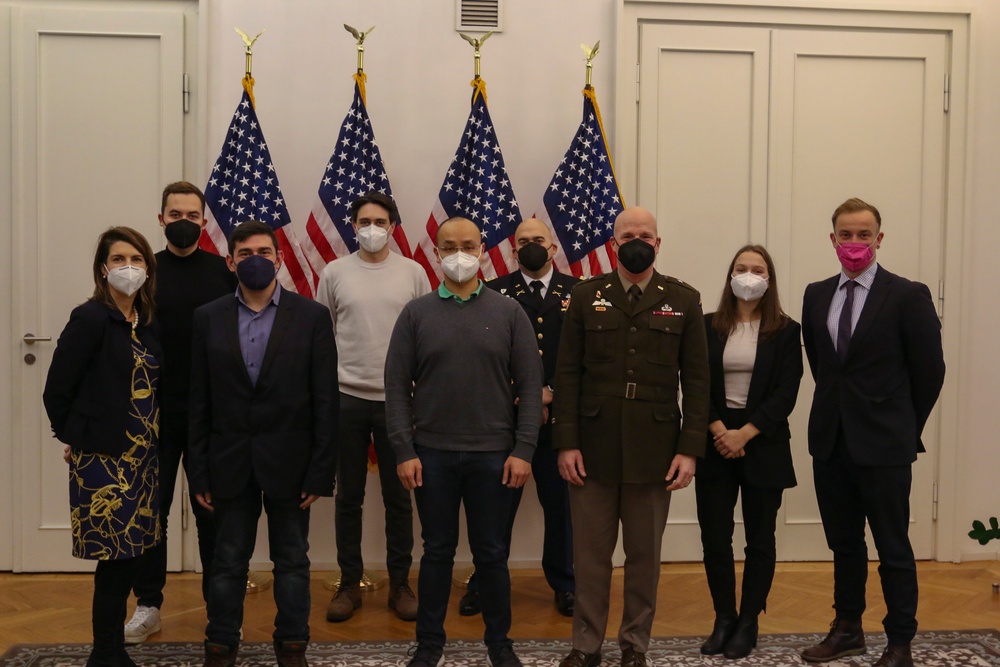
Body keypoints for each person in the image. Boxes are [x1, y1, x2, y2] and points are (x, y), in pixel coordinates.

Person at [553, 206, 710, 667]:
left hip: (655, 450)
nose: (636, 241)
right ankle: (586, 645)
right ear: (613, 243)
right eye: (628, 234)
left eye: (645, 234)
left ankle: (634, 646)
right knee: (591, 557)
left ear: (658, 244)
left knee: (645, 557)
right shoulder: (586, 296)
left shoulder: (683, 298)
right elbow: (566, 374)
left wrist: (689, 450)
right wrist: (566, 441)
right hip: (592, 447)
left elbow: (698, 382)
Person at [385, 217, 543, 667]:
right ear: (436, 254)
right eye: (449, 246)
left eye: (468, 245)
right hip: (431, 455)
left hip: (494, 456)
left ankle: (500, 643)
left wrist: (523, 449)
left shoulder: (509, 312)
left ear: (482, 250)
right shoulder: (415, 314)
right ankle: (429, 644)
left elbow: (531, 387)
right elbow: (395, 387)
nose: (459, 253)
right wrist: (404, 450)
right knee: (436, 552)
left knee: (492, 554)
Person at [800, 198, 945, 667]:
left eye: (865, 235)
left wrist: (903, 425)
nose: (855, 243)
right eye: (847, 234)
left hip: (885, 445)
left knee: (893, 547)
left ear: (879, 239)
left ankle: (900, 642)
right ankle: (847, 630)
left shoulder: (907, 294)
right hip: (831, 442)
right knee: (844, 545)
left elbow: (930, 372)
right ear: (833, 239)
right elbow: (823, 366)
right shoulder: (816, 294)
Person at [187, 220, 339, 667]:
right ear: (231, 261)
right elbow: (200, 400)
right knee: (228, 561)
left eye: (264, 252)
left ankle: (292, 645)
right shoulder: (207, 316)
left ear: (278, 258)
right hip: (227, 462)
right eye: (245, 252)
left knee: (292, 560)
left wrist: (320, 471)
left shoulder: (311, 316)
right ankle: (220, 644)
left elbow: (325, 401)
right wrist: (198, 470)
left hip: (292, 465)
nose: (256, 259)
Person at [124, 181, 236, 644]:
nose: (184, 222)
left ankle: (219, 607)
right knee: (151, 511)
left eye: (193, 215)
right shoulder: (142, 271)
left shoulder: (223, 272)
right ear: (161, 219)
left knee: (211, 511)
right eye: (176, 214)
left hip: (211, 413)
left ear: (204, 221)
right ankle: (149, 604)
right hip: (154, 413)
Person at [43, 227, 161, 667]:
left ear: (147, 268)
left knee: (132, 556)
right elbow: (57, 390)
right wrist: (76, 437)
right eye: (118, 259)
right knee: (115, 560)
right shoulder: (90, 317)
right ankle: (106, 652)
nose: (128, 266)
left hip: (144, 460)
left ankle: (108, 649)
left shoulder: (146, 322)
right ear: (103, 268)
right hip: (105, 461)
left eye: (136, 257)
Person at [314, 192, 429, 623]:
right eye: (364, 220)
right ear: (353, 225)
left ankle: (401, 584)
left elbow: (423, 334)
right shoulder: (335, 272)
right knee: (350, 497)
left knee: (400, 499)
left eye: (380, 221)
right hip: (346, 397)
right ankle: (349, 584)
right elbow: (323, 333)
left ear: (394, 227)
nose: (372, 228)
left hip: (399, 400)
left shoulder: (414, 273)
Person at [459, 218, 577, 618]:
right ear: (512, 250)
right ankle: (485, 583)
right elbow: (485, 355)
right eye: (523, 241)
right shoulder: (493, 292)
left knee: (561, 509)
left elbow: (584, 355)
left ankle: (565, 584)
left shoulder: (576, 293)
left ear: (554, 247)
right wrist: (526, 396)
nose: (531, 246)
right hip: (506, 421)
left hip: (561, 422)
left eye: (538, 240)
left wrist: (551, 394)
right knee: (494, 508)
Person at [696, 244, 803, 659]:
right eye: (741, 268)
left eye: (757, 269)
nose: (748, 275)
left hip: (764, 444)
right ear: (730, 276)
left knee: (760, 539)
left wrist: (746, 433)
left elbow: (786, 391)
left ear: (769, 280)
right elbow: (696, 380)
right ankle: (724, 617)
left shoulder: (787, 329)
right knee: (715, 538)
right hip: (714, 440)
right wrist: (721, 429)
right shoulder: (707, 325)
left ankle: (749, 620)